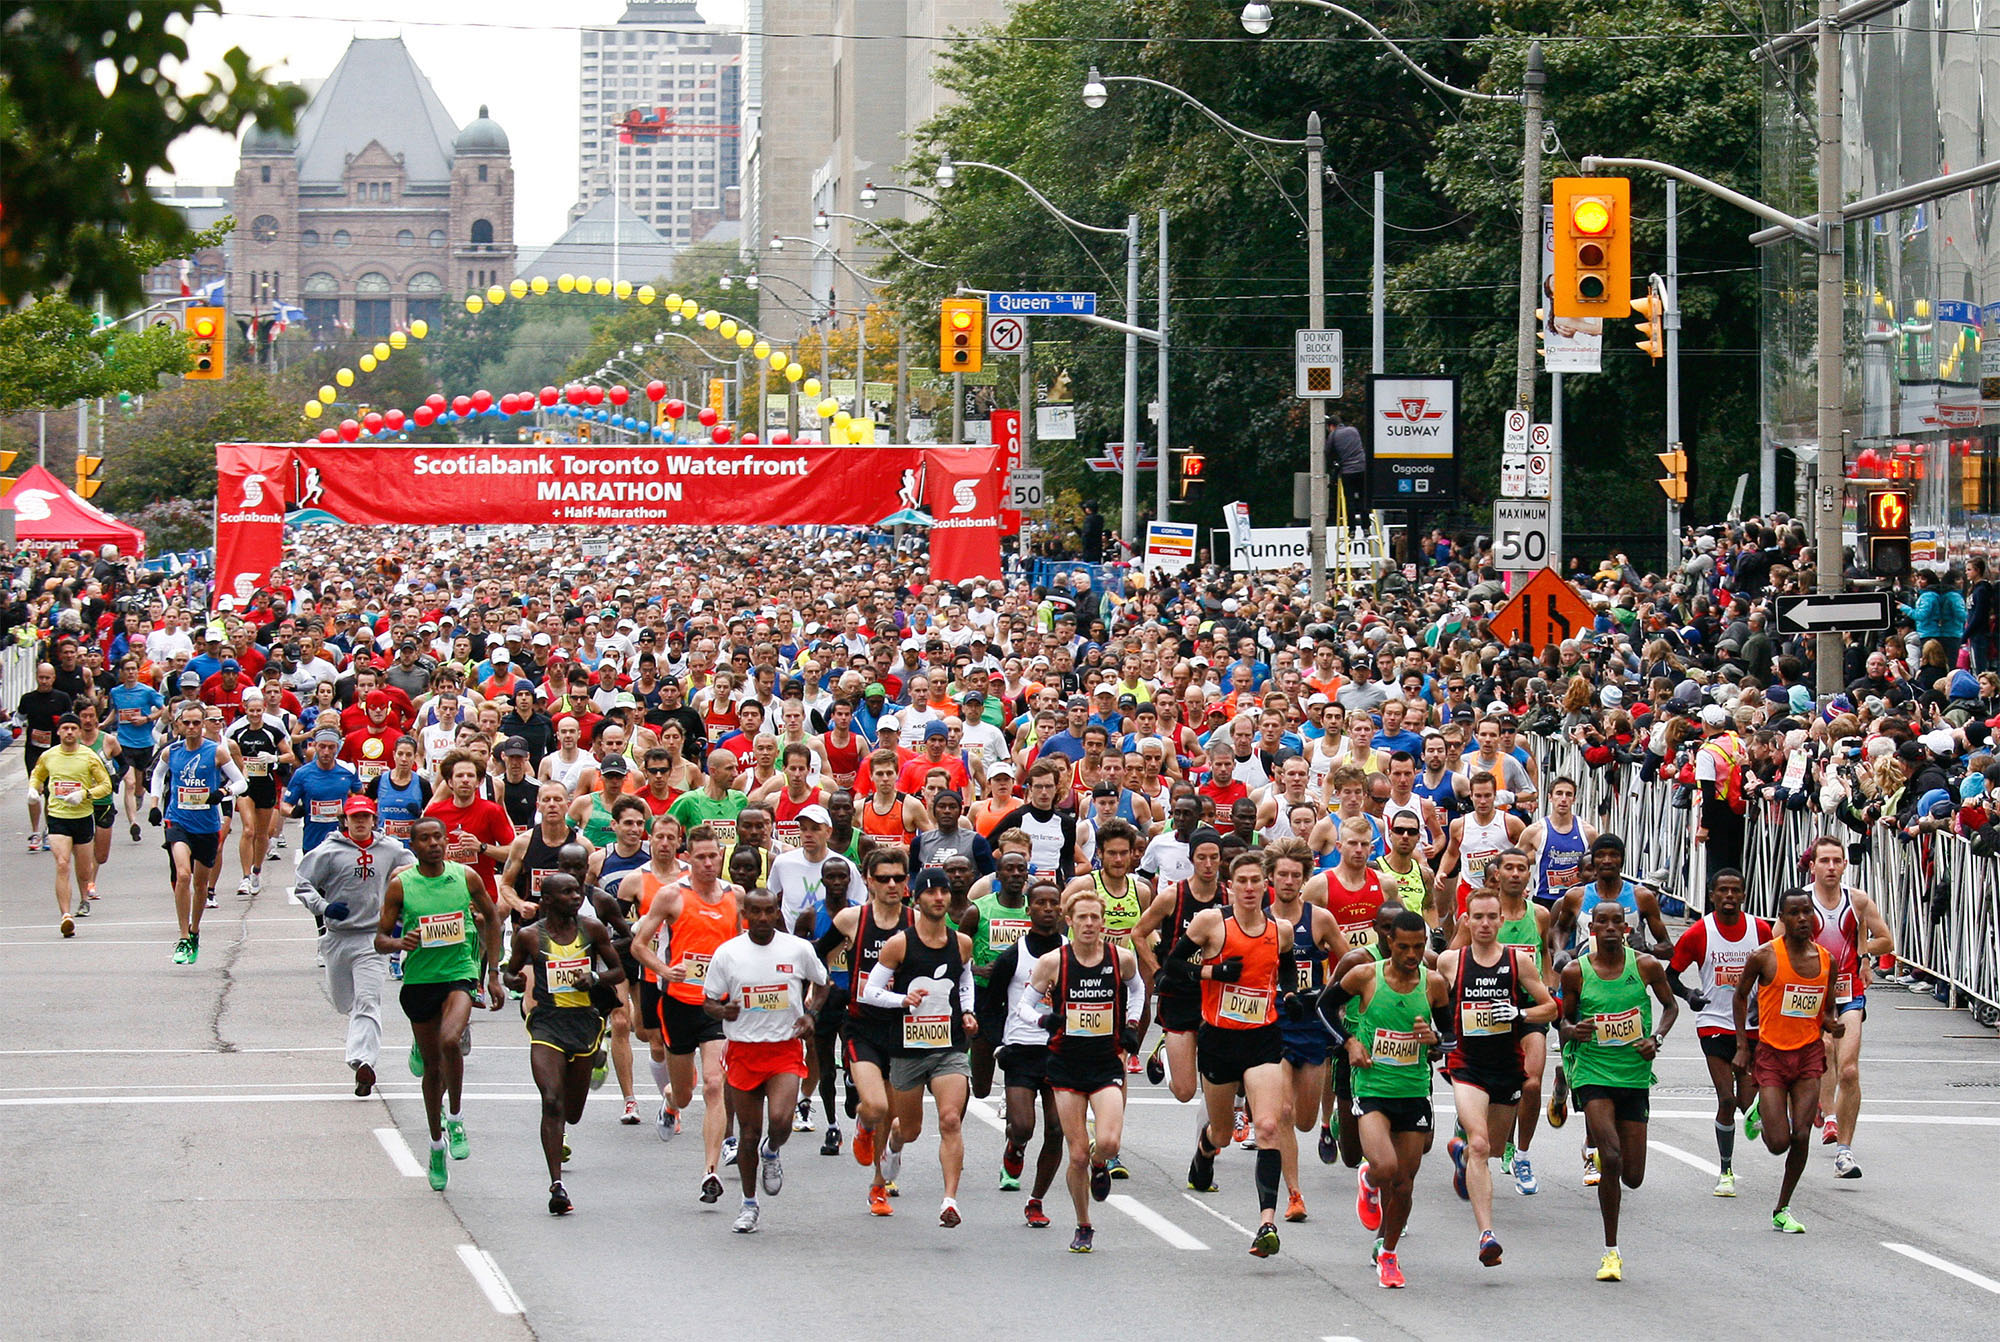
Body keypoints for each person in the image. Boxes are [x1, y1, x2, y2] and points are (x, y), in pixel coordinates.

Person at [1175, 850, 1295, 1259]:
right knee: (1223, 1132)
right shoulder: (1212, 923)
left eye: (1255, 881)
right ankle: (1206, 1150)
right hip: (1219, 1040)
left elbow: (1288, 968)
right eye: (1240, 881)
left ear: (1266, 885)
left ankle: (1266, 1222)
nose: (1248, 888)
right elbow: (1174, 968)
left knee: (1266, 1126)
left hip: (1263, 1038)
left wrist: (1293, 995)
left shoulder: (1282, 930)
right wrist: (1212, 972)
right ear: (1230, 885)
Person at [377, 816, 507, 1191]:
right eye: (425, 839)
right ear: (414, 847)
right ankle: (436, 1143)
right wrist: (401, 943)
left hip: (459, 974)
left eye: (439, 837)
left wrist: (492, 972)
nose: (434, 843)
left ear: (447, 841)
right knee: (433, 1069)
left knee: (452, 1041)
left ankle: (456, 1118)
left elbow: (493, 920)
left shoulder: (466, 878)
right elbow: (380, 938)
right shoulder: (401, 887)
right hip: (420, 980)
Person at [1558, 900, 1680, 1281]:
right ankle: (1611, 1252)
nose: (1610, 928)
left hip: (1633, 1075)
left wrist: (1655, 1038)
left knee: (1633, 1176)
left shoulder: (1643, 965)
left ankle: (1599, 1148)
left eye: (1617, 922)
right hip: (1593, 1072)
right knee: (1610, 1158)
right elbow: (1563, 1021)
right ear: (1591, 929)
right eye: (1602, 922)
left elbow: (1670, 1007)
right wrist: (1572, 1030)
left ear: (1626, 929)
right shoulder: (1576, 972)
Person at [1438, 888, 1560, 1267]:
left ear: (1502, 921)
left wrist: (1518, 1015)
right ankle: (1487, 1235)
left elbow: (1550, 1007)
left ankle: (1460, 1154)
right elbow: (1433, 1002)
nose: (1486, 924)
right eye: (1478, 917)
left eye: (1492, 917)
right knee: (1479, 1145)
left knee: (1489, 1149)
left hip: (1507, 1066)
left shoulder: (1518, 961)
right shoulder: (1449, 962)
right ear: (1467, 920)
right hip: (1467, 1065)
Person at [1018, 884, 1142, 1253]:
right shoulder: (1054, 962)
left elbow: (1138, 990)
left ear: (1103, 922)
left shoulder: (1121, 959)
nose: (1089, 924)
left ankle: (1101, 1164)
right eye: (1082, 918)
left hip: (1106, 1062)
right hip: (1066, 1065)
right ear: (1069, 921)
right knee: (1076, 1154)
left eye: (1095, 918)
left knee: (1107, 1142)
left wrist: (1133, 1024)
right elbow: (1024, 1005)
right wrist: (1044, 1021)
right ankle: (1083, 1224)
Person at [1318, 909, 1437, 1288]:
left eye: (1419, 947)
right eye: (1404, 946)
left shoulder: (1434, 983)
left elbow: (1449, 1035)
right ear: (1389, 942)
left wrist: (1433, 1041)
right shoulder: (1365, 975)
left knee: (1404, 1183)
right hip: (1372, 1088)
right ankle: (1369, 1179)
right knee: (1385, 1168)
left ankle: (1387, 1254)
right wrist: (1349, 1042)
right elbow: (1323, 1007)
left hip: (1414, 1090)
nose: (1411, 955)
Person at [701, 887, 830, 1234]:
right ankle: (748, 1204)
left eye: (768, 911)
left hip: (784, 1047)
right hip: (744, 1048)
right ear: (744, 914)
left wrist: (811, 1014)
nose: (761, 918)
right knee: (747, 1134)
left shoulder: (797, 948)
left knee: (780, 1121)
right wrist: (721, 1009)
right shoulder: (728, 953)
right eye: (754, 912)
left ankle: (772, 1152)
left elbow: (822, 983)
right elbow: (708, 1001)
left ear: (777, 912)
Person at [860, 865, 980, 1228]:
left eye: (943, 892)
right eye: (931, 892)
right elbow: (869, 993)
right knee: (908, 1128)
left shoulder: (961, 942)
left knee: (949, 1119)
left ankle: (950, 1200)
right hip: (908, 1048)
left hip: (949, 1046)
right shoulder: (900, 944)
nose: (939, 898)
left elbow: (964, 982)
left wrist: (969, 1011)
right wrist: (902, 1001)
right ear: (919, 897)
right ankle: (893, 1146)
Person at [629, 823, 743, 1203]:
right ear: (687, 858)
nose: (708, 864)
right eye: (700, 858)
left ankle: (710, 1171)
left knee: (714, 1084)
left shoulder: (734, 896)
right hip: (677, 1002)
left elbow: (743, 946)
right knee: (684, 1092)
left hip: (716, 1006)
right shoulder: (671, 896)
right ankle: (669, 1099)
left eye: (714, 856)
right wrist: (663, 971)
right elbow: (638, 945)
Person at [502, 870, 624, 1216]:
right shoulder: (528, 936)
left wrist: (596, 977)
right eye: (568, 892)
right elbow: (511, 972)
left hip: (585, 1023)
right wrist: (513, 978)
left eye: (577, 891)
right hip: (547, 1025)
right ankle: (557, 1185)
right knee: (552, 1102)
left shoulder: (592, 929)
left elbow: (617, 971)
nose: (576, 897)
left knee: (573, 1111)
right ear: (549, 899)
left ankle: (597, 1056)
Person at [1735, 887, 1844, 1234]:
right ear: (1781, 919)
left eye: (1807, 913)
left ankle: (1782, 1207)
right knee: (1777, 1142)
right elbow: (1740, 998)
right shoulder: (1765, 956)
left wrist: (1831, 1023)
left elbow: (1825, 1009)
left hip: (1808, 1055)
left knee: (1800, 1136)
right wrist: (1742, 1047)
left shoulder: (1827, 960)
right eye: (1794, 913)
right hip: (1771, 1055)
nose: (1802, 919)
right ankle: (1762, 1114)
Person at [294, 795, 413, 1095]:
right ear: (345, 821)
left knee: (368, 1001)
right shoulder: (329, 851)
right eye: (355, 817)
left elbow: (417, 870)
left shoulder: (390, 849)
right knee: (344, 1002)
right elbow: (302, 883)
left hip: (373, 938)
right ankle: (360, 1050)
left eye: (366, 817)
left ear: (374, 819)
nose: (361, 822)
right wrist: (322, 907)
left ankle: (364, 1063)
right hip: (337, 937)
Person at [1668, 867, 1770, 1195]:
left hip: (1753, 1025)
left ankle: (1764, 1111)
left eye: (1734, 890)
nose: (1728, 896)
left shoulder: (1761, 930)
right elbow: (1671, 975)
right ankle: (1725, 1170)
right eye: (1722, 891)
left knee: (1748, 1102)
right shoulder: (1700, 932)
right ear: (1711, 896)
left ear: (1743, 895)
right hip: (1713, 1022)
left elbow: (1777, 969)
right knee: (1726, 1099)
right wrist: (1689, 995)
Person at [976, 877, 1067, 1226]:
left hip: (1060, 1050)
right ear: (1029, 911)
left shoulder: (1070, 952)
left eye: (1053, 903)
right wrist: (999, 1041)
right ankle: (1014, 1148)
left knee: (1057, 1128)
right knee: (1024, 1126)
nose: (1047, 909)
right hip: (1021, 1048)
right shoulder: (1015, 954)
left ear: (1061, 910)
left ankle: (1036, 1200)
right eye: (1040, 903)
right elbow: (991, 1001)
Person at [1802, 835, 1893, 1178]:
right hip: (1812, 993)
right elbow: (1776, 942)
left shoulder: (1857, 901)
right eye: (1823, 861)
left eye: (1836, 861)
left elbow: (1887, 940)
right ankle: (1826, 1115)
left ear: (1844, 865)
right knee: (1824, 1050)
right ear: (1812, 866)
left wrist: (1862, 950)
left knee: (1850, 1068)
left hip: (1848, 992)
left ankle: (1845, 1152)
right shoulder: (1801, 901)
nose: (1830, 867)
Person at [1266, 837, 1343, 1221]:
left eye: (1296, 875)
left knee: (1306, 1120)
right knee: (1282, 1112)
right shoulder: (1259, 919)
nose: (1289, 881)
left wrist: (1336, 999)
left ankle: (1336, 1122)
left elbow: (1351, 963)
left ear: (1304, 878)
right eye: (1282, 874)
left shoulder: (1320, 919)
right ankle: (1294, 1195)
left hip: (1312, 1022)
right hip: (1275, 1020)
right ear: (1271, 877)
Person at [147, 702, 248, 963]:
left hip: (207, 824)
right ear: (178, 724)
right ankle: (182, 937)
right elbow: (157, 776)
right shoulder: (171, 752)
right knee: (183, 874)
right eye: (186, 723)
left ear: (203, 724)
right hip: (177, 820)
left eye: (196, 723)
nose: (191, 728)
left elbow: (241, 781)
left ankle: (194, 931)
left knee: (200, 883)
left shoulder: (216, 752)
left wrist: (224, 792)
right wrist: (155, 804)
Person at [1132, 826, 1225, 1101]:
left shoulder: (1229, 897)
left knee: (1217, 1082)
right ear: (1191, 858)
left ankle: (1208, 1141)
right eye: (1201, 857)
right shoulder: (1174, 895)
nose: (1208, 865)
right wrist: (1157, 970)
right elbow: (1138, 933)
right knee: (1185, 1092)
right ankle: (1163, 1050)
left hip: (1216, 994)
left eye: (1214, 857)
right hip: (1180, 995)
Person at [30, 713, 113, 937]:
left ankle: (84, 898)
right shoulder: (49, 756)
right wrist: (33, 790)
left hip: (83, 817)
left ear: (78, 732)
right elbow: (37, 776)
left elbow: (106, 786)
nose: (68, 732)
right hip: (58, 818)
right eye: (65, 728)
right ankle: (65, 915)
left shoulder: (89, 757)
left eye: (72, 729)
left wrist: (84, 794)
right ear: (58, 732)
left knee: (84, 869)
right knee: (62, 863)